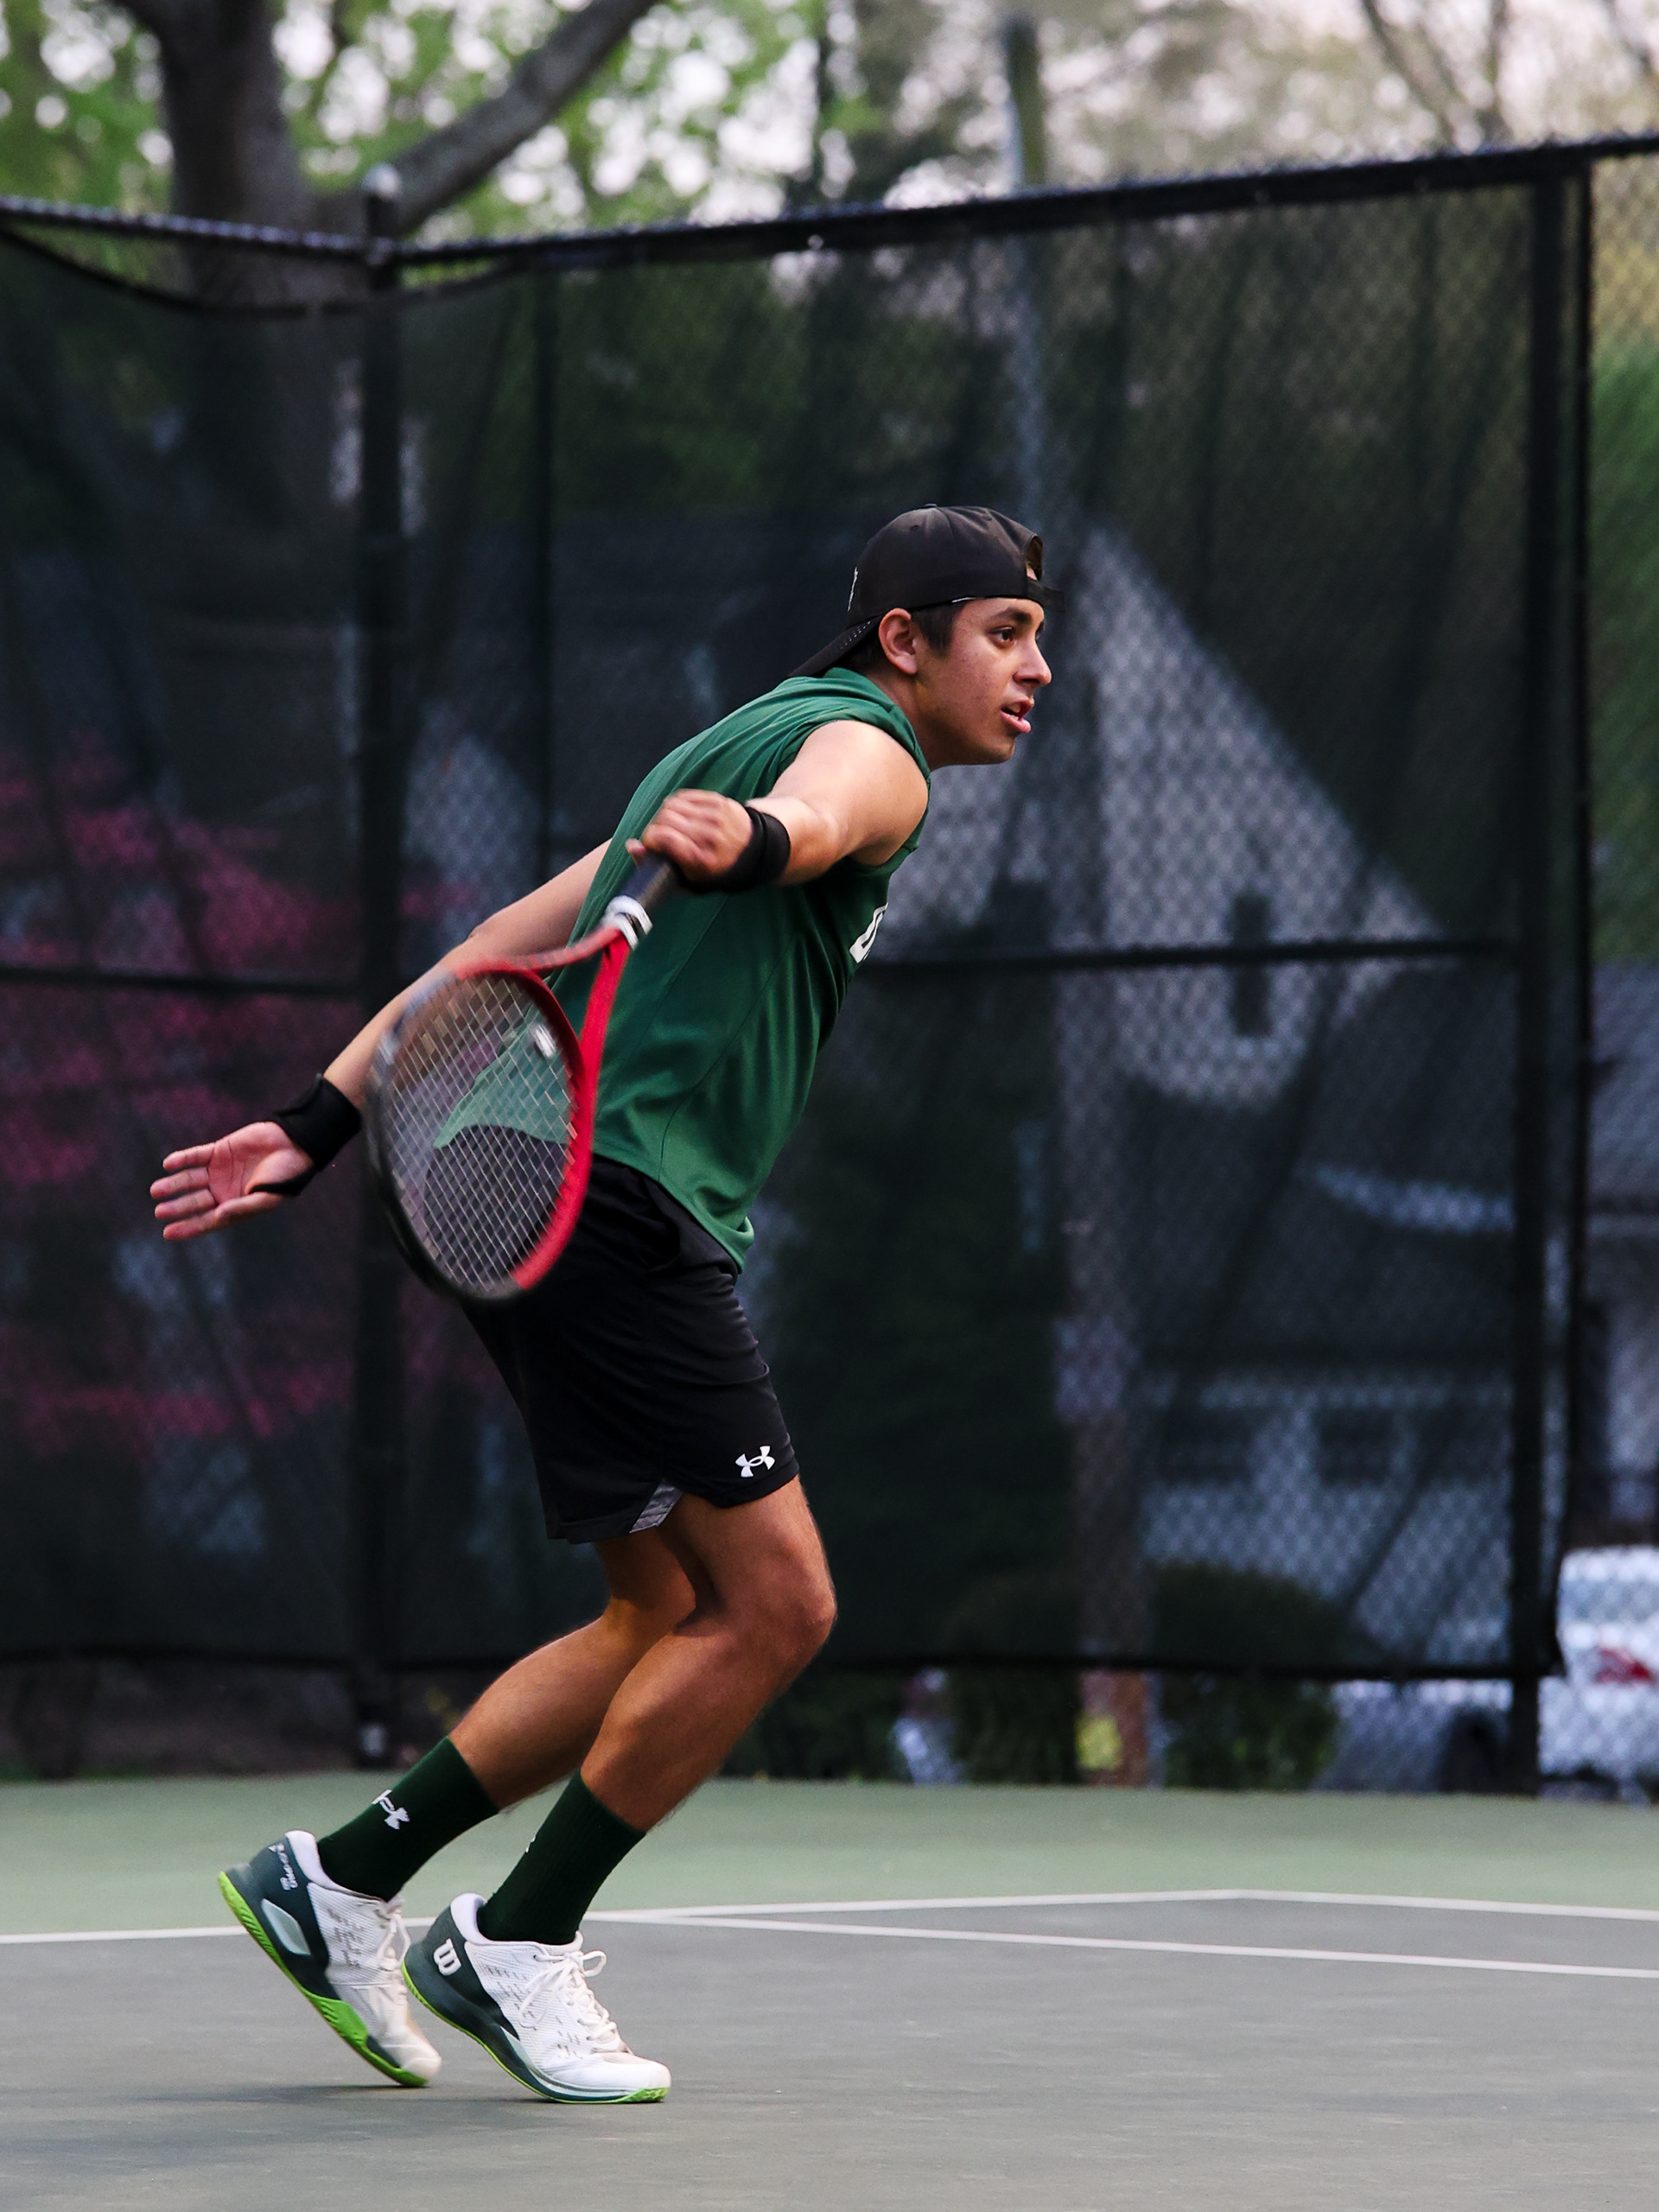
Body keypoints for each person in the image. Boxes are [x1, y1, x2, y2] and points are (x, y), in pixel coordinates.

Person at [149, 504, 1058, 2105]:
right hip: (623, 1203)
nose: (1035, 668)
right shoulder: (871, 750)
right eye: (1005, 633)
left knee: (659, 1611)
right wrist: (765, 842)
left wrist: (315, 1120)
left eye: (1037, 637)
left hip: (524, 1178)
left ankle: (342, 1881)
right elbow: (825, 816)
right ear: (904, 642)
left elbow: (500, 944)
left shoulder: (711, 749)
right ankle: (518, 1937)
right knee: (778, 1608)